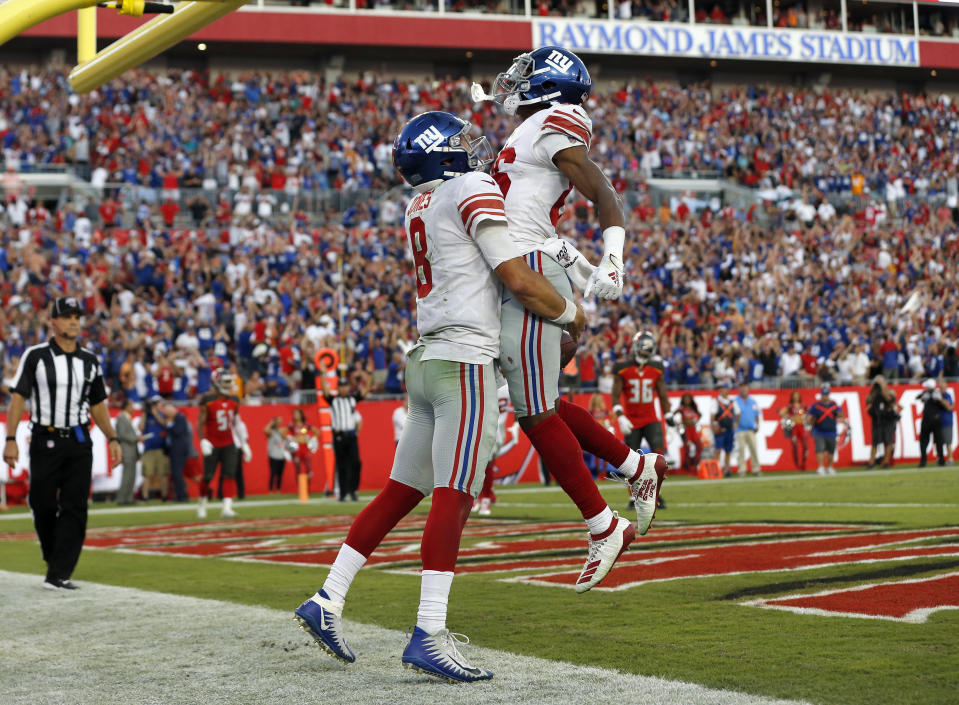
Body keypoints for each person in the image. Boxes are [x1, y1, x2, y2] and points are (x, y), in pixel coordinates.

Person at [295, 111, 590, 684]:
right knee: (455, 494)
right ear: (439, 154)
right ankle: (429, 631)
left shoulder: (420, 203)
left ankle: (327, 599)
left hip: (425, 360)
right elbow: (518, 278)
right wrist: (574, 313)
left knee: (403, 490)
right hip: (464, 363)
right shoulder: (471, 186)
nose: (469, 147)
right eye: (456, 141)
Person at [477, 46, 667, 540]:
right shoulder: (530, 128)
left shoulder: (558, 118)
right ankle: (633, 467)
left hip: (526, 274)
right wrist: (582, 272)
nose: (513, 81)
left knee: (535, 411)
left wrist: (612, 257)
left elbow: (603, 191)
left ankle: (603, 523)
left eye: (526, 74)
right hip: (520, 266)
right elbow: (544, 231)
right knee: (538, 404)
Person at [2, 296, 122, 590]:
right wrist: (11, 438)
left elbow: (98, 404)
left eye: (77, 317)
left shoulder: (90, 361)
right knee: (41, 503)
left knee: (75, 506)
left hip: (79, 440)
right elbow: (19, 398)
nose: (73, 321)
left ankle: (59, 573)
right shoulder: (36, 356)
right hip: (45, 437)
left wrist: (113, 437)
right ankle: (54, 556)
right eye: (67, 316)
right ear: (53, 321)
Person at [611, 331, 669, 506]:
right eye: (643, 348)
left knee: (658, 457)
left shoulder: (656, 368)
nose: (645, 352)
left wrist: (670, 416)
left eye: (648, 349)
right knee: (631, 461)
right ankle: (633, 496)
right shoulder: (623, 368)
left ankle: (655, 494)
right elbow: (615, 396)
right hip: (631, 420)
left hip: (651, 418)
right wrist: (620, 416)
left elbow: (663, 395)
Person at [196, 368, 242, 518]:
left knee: (229, 474)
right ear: (216, 382)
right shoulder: (208, 400)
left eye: (229, 381)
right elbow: (200, 423)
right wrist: (203, 440)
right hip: (213, 443)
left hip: (228, 442)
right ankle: (202, 504)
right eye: (225, 381)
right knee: (207, 476)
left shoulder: (234, 401)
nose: (228, 385)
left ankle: (227, 507)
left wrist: (244, 443)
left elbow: (235, 423)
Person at [318, 367, 368, 502]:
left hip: (351, 436)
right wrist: (322, 374)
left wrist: (369, 375)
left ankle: (353, 490)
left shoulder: (352, 399)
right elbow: (324, 391)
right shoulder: (333, 400)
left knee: (356, 463)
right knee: (341, 465)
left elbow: (365, 391)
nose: (344, 389)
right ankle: (343, 493)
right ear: (338, 388)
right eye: (341, 387)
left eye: (346, 386)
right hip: (339, 436)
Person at [473, 379, 520, 515]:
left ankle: (484, 499)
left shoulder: (487, 382)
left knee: (484, 465)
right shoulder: (506, 384)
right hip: (494, 429)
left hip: (490, 428)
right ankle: (482, 498)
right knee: (483, 465)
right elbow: (518, 404)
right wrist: (516, 423)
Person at [807, 384, 846, 475]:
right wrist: (810, 421)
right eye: (824, 395)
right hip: (819, 431)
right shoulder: (816, 405)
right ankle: (821, 467)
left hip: (831, 431)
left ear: (829, 394)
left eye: (826, 395)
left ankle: (830, 467)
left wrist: (840, 415)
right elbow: (809, 417)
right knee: (819, 449)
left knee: (831, 450)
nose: (825, 396)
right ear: (821, 395)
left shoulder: (834, 405)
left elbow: (841, 415)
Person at [865, 375, 899, 469]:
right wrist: (874, 388)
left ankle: (886, 462)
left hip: (888, 420)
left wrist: (882, 387)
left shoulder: (890, 391)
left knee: (888, 441)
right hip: (877, 420)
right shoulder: (874, 392)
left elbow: (889, 399)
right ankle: (871, 462)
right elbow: (867, 401)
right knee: (875, 442)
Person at [139, 398, 169, 500]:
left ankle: (164, 495)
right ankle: (145, 496)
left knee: (163, 474)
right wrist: (144, 414)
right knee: (147, 474)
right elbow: (140, 428)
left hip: (161, 449)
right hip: (149, 450)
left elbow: (165, 424)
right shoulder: (147, 416)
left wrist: (156, 413)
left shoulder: (162, 414)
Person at [162, 402, 193, 502]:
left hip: (179, 450)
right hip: (174, 450)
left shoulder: (180, 418)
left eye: (166, 413)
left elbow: (177, 432)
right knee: (176, 474)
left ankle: (183, 496)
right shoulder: (176, 418)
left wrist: (170, 424)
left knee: (177, 473)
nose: (166, 415)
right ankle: (180, 495)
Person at [114, 395, 140, 505]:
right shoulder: (121, 418)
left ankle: (129, 498)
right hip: (127, 450)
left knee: (132, 475)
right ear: (126, 407)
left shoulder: (126, 418)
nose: (133, 408)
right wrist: (135, 438)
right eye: (131, 405)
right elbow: (122, 434)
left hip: (132, 450)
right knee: (127, 475)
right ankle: (121, 499)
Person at [917, 379, 947, 467]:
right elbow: (919, 397)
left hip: (930, 420)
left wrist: (938, 399)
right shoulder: (930, 393)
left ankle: (925, 461)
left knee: (927, 440)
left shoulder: (935, 394)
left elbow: (944, 405)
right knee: (937, 441)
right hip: (935, 419)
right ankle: (940, 459)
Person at [670, 393, 702, 475]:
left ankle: (695, 466)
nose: (687, 400)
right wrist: (677, 423)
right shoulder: (681, 409)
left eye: (688, 399)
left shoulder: (694, 408)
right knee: (687, 448)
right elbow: (672, 414)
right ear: (683, 400)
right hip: (686, 430)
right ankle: (687, 469)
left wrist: (695, 421)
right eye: (685, 399)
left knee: (699, 446)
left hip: (693, 430)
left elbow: (700, 415)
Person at [734, 383, 762, 475]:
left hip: (751, 429)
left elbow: (757, 414)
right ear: (739, 390)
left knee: (754, 449)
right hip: (739, 429)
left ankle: (756, 468)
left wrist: (757, 425)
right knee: (741, 450)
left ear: (748, 389)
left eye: (745, 389)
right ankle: (742, 469)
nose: (744, 391)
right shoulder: (735, 401)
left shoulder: (752, 401)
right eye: (742, 389)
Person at [711, 382, 737, 477]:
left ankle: (726, 469)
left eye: (725, 388)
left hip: (729, 429)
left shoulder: (732, 401)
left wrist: (736, 424)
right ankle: (715, 470)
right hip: (720, 429)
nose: (724, 390)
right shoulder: (716, 401)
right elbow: (712, 416)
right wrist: (714, 426)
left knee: (728, 450)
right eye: (722, 388)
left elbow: (738, 413)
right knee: (718, 449)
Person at [779, 391, 809, 471]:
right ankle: (796, 465)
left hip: (802, 427)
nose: (796, 397)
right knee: (795, 446)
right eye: (794, 396)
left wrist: (806, 417)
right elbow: (781, 412)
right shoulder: (790, 407)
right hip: (794, 427)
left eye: (797, 396)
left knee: (805, 446)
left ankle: (803, 464)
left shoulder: (803, 406)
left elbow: (809, 412)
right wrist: (788, 416)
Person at [287, 407, 320, 480]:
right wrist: (290, 439)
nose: (295, 415)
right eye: (294, 414)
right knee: (297, 466)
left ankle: (307, 484)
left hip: (305, 448)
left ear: (301, 415)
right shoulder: (292, 425)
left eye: (297, 414)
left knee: (308, 465)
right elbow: (283, 432)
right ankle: (300, 485)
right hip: (297, 448)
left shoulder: (306, 425)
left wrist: (311, 440)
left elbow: (317, 432)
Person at [265, 416, 288, 493]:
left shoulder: (282, 431)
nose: (279, 423)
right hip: (273, 455)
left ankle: (278, 490)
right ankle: (271, 490)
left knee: (280, 474)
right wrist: (271, 422)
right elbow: (265, 430)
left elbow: (285, 437)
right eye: (277, 421)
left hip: (282, 456)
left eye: (280, 421)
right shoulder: (272, 431)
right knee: (273, 473)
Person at [940, 379, 955, 464]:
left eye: (943, 388)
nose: (942, 389)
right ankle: (941, 458)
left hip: (947, 422)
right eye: (941, 388)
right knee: (940, 442)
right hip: (939, 422)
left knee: (948, 442)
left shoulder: (947, 396)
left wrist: (941, 400)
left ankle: (951, 458)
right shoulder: (940, 395)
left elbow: (949, 407)